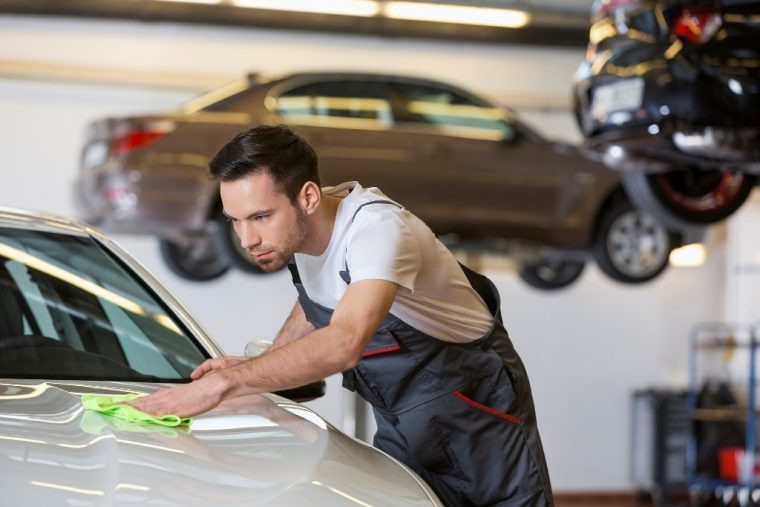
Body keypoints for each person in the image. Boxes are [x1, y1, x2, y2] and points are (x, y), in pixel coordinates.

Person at [130, 124, 554, 506]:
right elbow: (322, 296)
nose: (247, 238)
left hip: (477, 417)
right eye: (235, 221)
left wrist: (223, 384)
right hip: (403, 421)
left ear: (308, 196)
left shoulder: (378, 231)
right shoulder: (300, 233)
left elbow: (347, 338)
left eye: (260, 217)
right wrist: (268, 359)